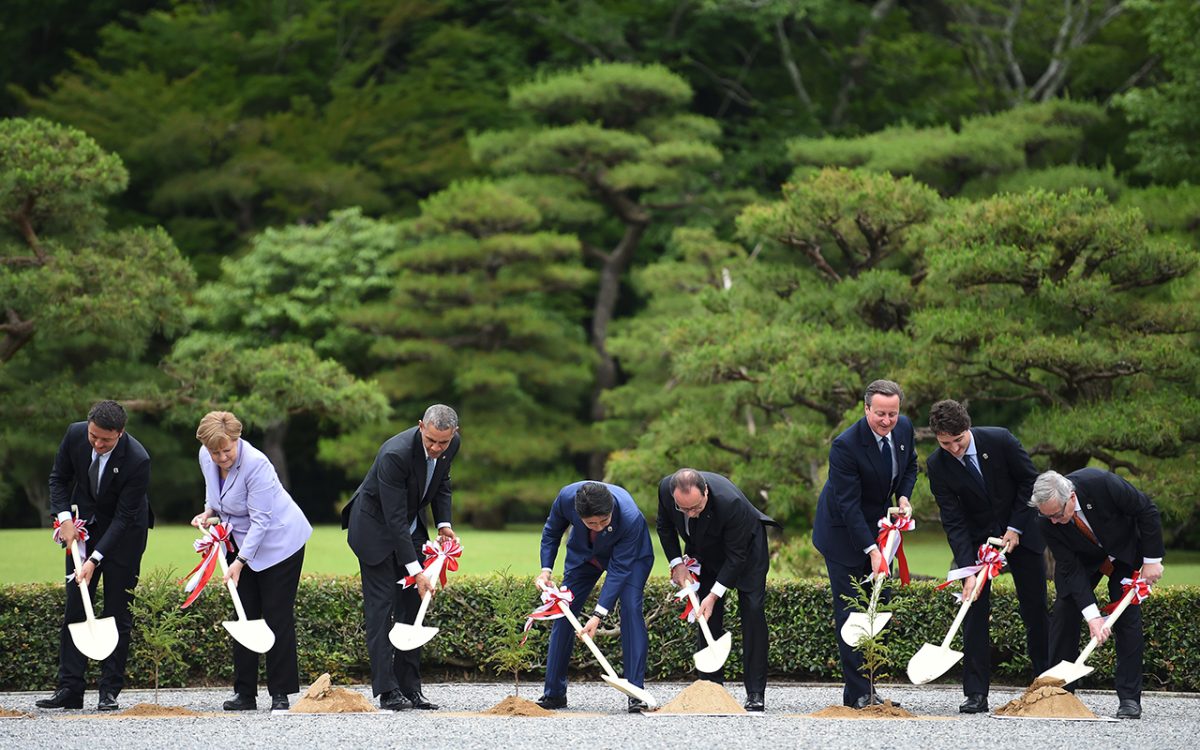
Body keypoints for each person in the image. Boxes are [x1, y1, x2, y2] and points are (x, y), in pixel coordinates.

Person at [926, 399, 1049, 714]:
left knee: (1035, 610)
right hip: (977, 544)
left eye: (958, 440)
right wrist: (967, 569)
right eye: (945, 443)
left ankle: (1046, 686)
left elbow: (1029, 481)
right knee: (973, 612)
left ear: (968, 428)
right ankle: (976, 694)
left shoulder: (1000, 439)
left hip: (1021, 535)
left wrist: (1016, 527)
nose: (953, 448)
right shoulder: (937, 465)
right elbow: (953, 520)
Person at [190, 411, 313, 712]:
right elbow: (213, 490)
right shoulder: (207, 455)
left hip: (278, 542)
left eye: (226, 450)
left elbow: (261, 522)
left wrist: (240, 561)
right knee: (244, 612)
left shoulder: (257, 464)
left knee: (276, 615)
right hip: (238, 537)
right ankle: (244, 693)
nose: (221, 457)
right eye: (215, 452)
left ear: (237, 439)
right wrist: (208, 511)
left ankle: (280, 693)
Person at [342, 404, 460, 711]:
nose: (436, 448)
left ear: (453, 435)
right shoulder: (395, 454)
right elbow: (393, 519)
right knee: (382, 608)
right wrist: (415, 570)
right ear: (421, 426)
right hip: (374, 530)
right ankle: (387, 690)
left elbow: (441, 483)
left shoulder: (451, 445)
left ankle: (411, 688)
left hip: (410, 525)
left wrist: (444, 524)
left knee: (413, 606)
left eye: (443, 443)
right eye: (431, 440)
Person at [38, 400, 153, 712]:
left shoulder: (137, 459)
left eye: (106, 439)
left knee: (117, 610)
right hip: (82, 529)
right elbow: (58, 478)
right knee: (75, 606)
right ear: (87, 427)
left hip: (125, 534)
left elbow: (125, 516)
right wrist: (64, 519)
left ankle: (109, 690)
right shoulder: (75, 435)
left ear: (121, 432)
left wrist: (94, 560)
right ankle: (70, 688)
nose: (98, 444)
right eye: (94, 437)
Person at [812, 379, 917, 709]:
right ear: (866, 409)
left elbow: (910, 465)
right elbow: (848, 505)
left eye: (893, 414)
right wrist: (871, 551)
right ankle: (859, 692)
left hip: (881, 528)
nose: (887, 421)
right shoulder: (845, 445)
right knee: (853, 610)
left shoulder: (903, 429)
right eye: (880, 414)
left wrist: (903, 497)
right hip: (843, 534)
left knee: (878, 606)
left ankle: (868, 687)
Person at [1030, 469, 1164, 720]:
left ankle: (1129, 699)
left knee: (1127, 617)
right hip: (1081, 560)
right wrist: (1093, 616)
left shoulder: (1101, 483)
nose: (1055, 521)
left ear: (1071, 497)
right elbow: (1069, 567)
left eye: (1058, 514)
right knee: (1065, 609)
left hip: (1124, 551)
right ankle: (1060, 693)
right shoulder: (1046, 520)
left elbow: (1146, 509)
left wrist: (1152, 559)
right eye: (1048, 517)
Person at [656, 468, 777, 711]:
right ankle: (709, 685)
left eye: (696, 508)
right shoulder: (665, 489)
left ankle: (755, 692)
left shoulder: (729, 503)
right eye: (684, 509)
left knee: (752, 611)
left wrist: (714, 594)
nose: (690, 514)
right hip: (704, 551)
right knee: (706, 615)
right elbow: (664, 527)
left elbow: (736, 557)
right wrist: (677, 563)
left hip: (746, 552)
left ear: (706, 493)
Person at [535, 481, 655, 713]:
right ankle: (554, 694)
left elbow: (619, 570)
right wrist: (546, 569)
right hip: (585, 556)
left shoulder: (629, 517)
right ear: (577, 514)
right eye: (591, 523)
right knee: (564, 611)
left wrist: (598, 615)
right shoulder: (566, 498)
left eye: (604, 521)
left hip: (630, 558)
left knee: (631, 608)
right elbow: (551, 531)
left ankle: (635, 692)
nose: (599, 527)